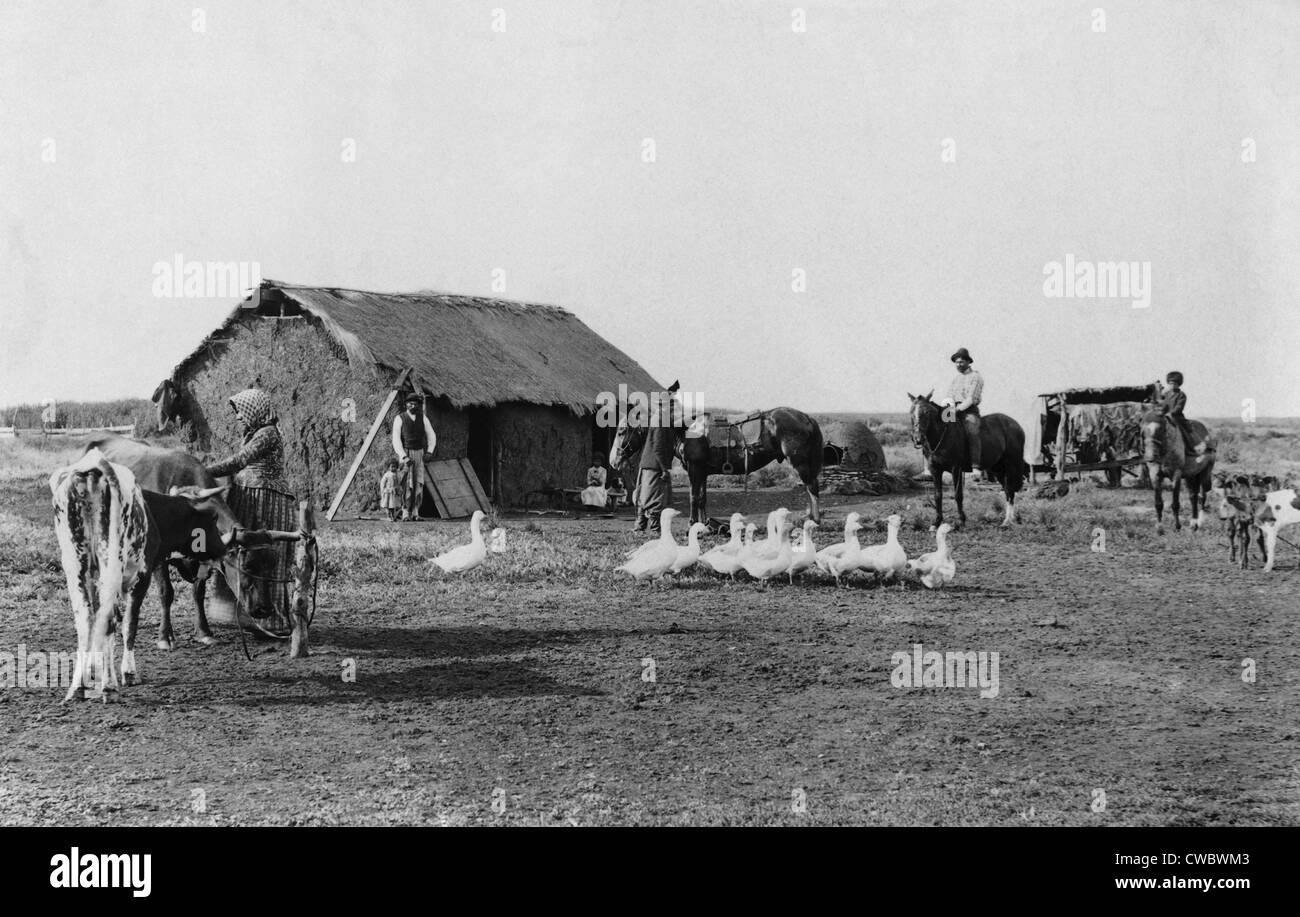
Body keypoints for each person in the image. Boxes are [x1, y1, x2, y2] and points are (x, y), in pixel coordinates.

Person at [206, 388, 294, 635]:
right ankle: (242, 613)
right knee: (240, 554)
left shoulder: (267, 434)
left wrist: (202, 472)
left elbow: (238, 462)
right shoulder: (253, 433)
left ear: (255, 410)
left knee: (265, 557)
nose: (238, 417)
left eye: (241, 411)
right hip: (248, 498)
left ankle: (271, 620)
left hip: (266, 501)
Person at [390, 392, 437, 521]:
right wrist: (403, 456)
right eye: (410, 403)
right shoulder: (400, 418)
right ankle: (405, 512)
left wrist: (429, 452)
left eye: (415, 403)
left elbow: (431, 435)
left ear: (418, 405)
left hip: (419, 453)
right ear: (406, 404)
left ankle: (416, 512)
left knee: (418, 482)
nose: (413, 405)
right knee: (406, 482)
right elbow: (396, 439)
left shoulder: (423, 418)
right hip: (406, 453)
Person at [634, 392, 677, 533]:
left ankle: (640, 527)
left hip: (650, 464)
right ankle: (653, 529)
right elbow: (658, 447)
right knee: (654, 498)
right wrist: (664, 469)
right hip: (655, 465)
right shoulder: (659, 420)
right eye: (671, 405)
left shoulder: (660, 419)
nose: (672, 408)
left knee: (645, 496)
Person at [941, 347, 983, 470]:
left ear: (968, 362)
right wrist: (946, 409)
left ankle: (975, 466)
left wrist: (957, 409)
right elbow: (950, 395)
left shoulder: (975, 377)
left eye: (961, 362)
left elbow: (971, 399)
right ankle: (931, 466)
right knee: (936, 428)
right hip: (953, 409)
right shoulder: (956, 378)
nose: (958, 364)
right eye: (956, 362)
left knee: (972, 431)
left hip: (968, 410)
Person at [1157, 371, 1202, 454]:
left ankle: (1191, 447)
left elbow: (1179, 407)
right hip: (1166, 416)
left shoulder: (1181, 395)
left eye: (1174, 384)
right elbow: (1165, 405)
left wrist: (1171, 413)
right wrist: (1161, 412)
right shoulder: (1167, 394)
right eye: (1170, 384)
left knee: (1185, 430)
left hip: (1176, 416)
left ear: (1178, 384)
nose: (1172, 385)